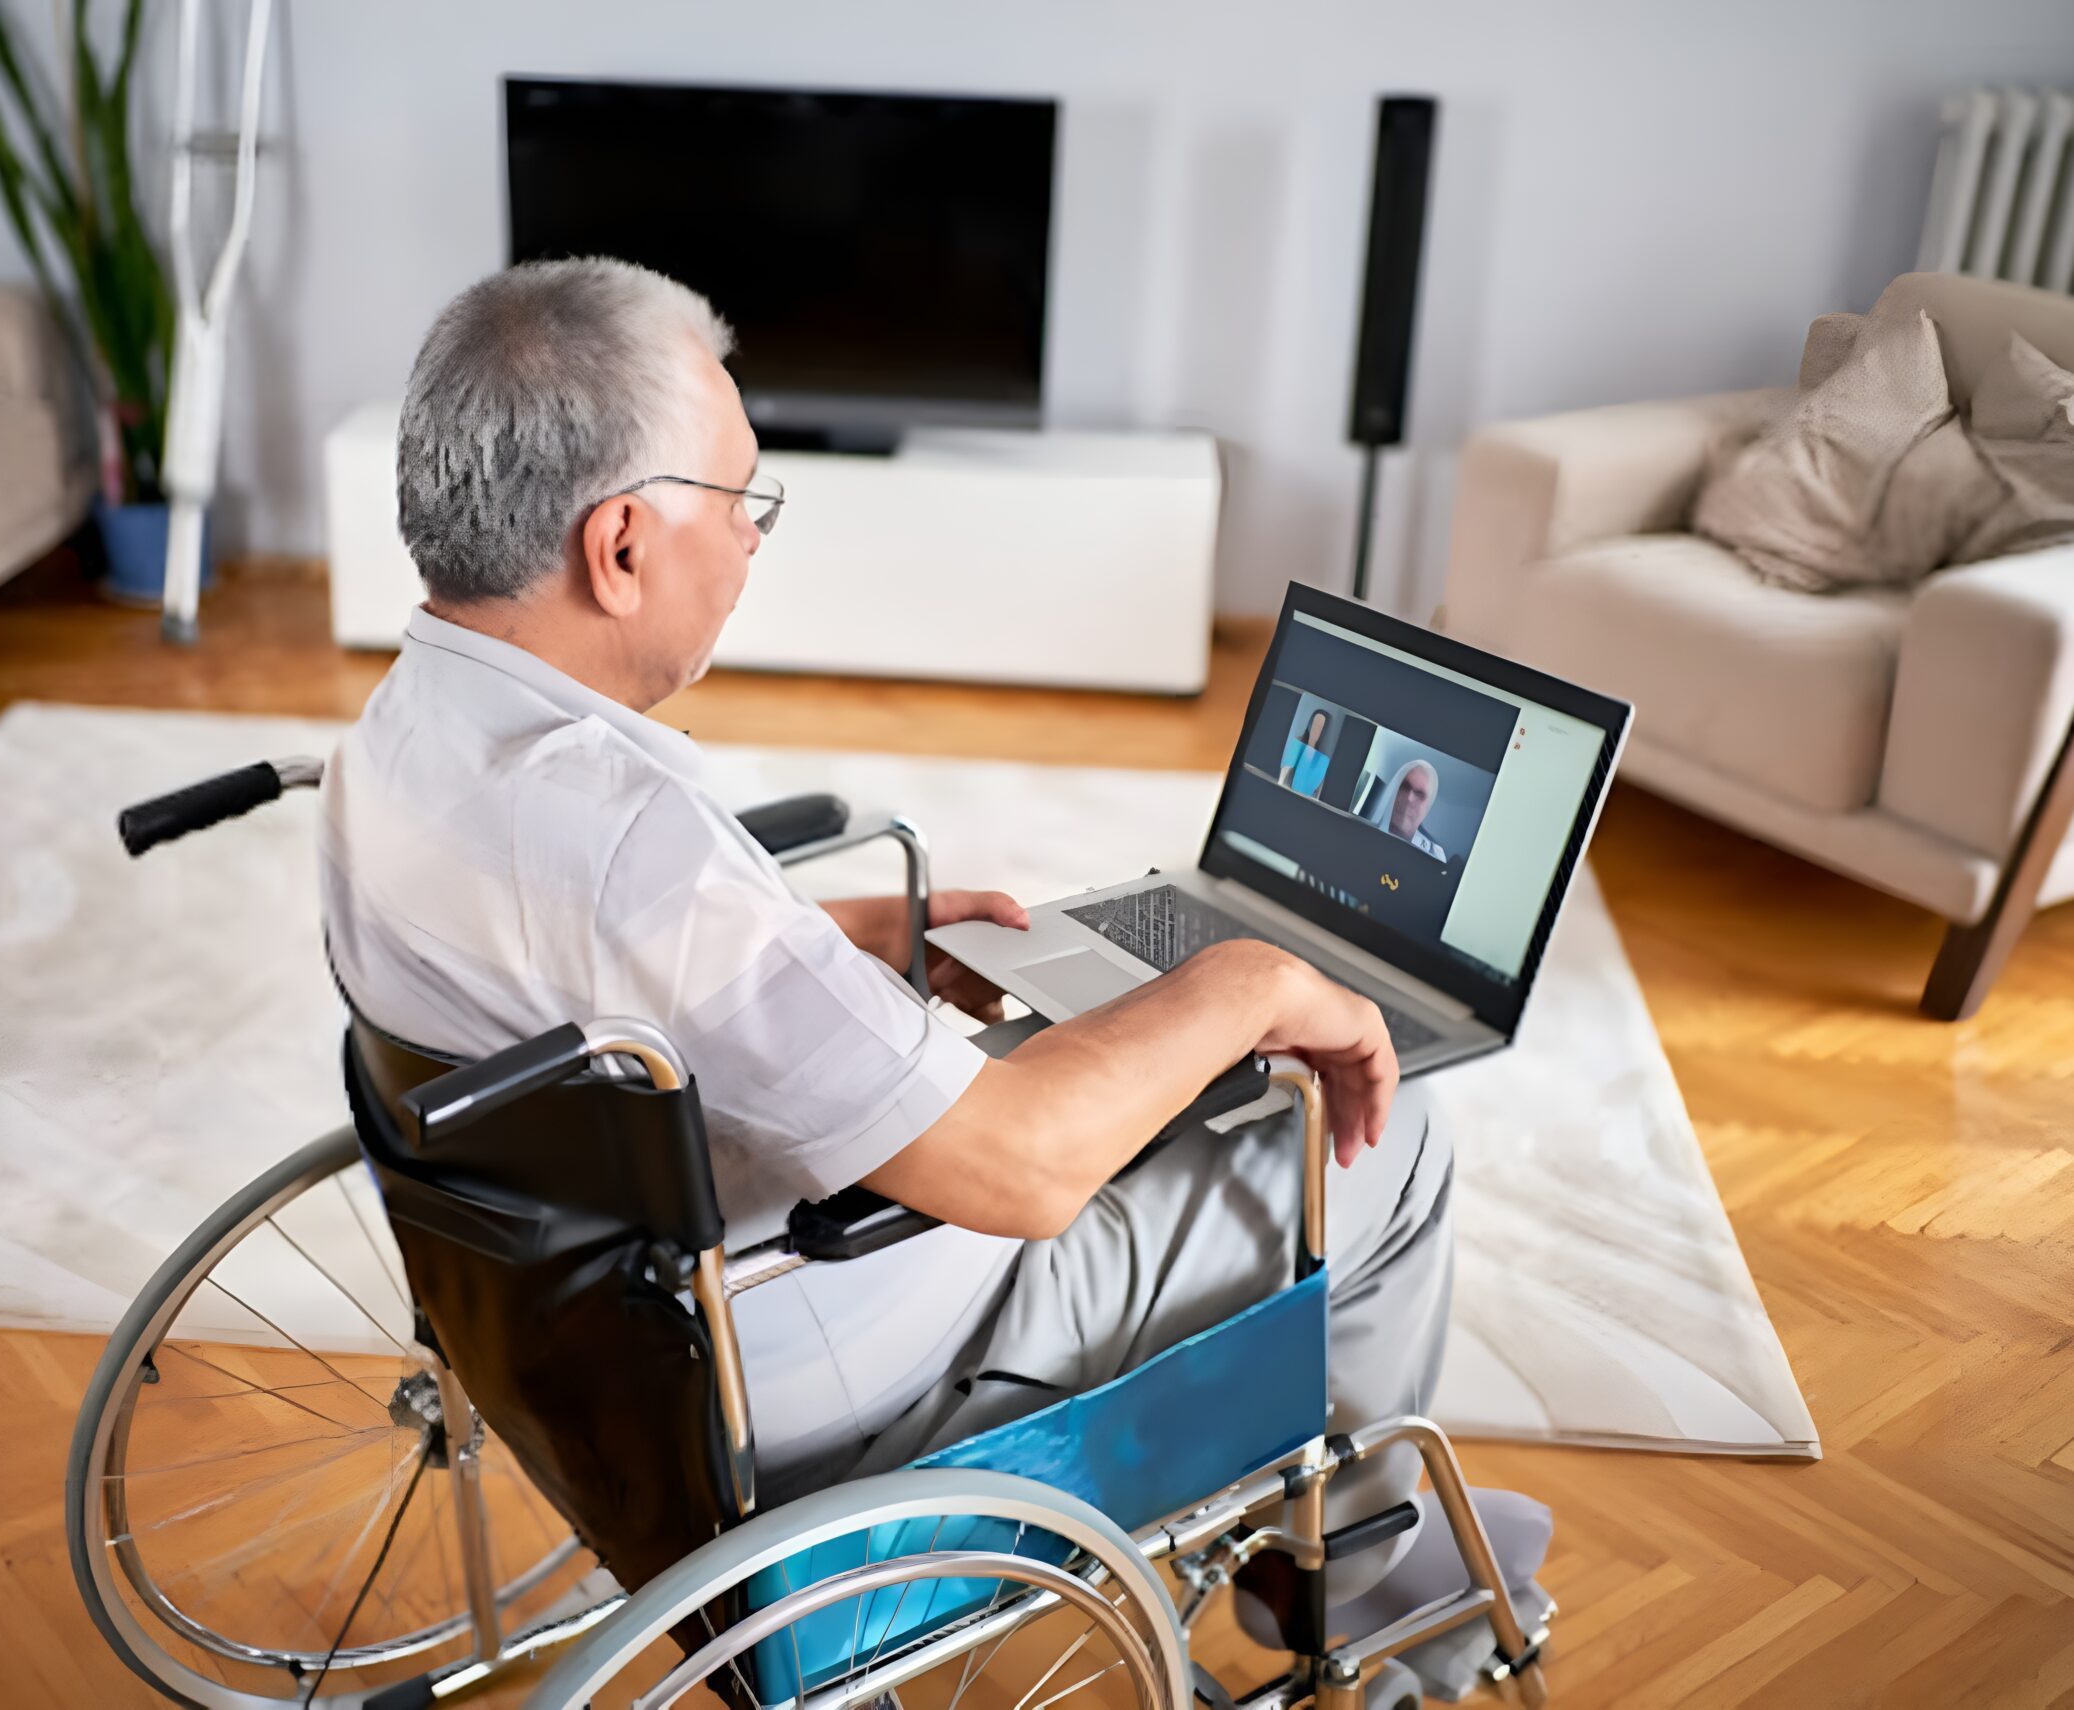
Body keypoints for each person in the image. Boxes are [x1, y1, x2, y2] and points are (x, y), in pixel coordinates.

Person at [320, 259, 1545, 1673]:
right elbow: (1018, 1174)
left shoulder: (398, 736)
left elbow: (588, 991)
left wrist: (847, 941)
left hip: (593, 1335)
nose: (753, 539)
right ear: (621, 548)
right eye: (740, 500)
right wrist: (1255, 980)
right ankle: (1354, 1578)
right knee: (1386, 1136)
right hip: (816, 1357)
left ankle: (1356, 1542)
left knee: (1116, 1049)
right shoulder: (624, 832)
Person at [1385, 759, 1449, 859]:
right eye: (1405, 787)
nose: (1409, 798)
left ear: (1427, 808)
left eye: (1419, 794)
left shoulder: (1434, 854)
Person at [1278, 706, 1333, 796]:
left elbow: (1317, 791)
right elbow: (1282, 777)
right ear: (1310, 724)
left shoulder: (1322, 760)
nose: (1316, 730)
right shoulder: (1296, 744)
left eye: (1320, 727)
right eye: (1315, 725)